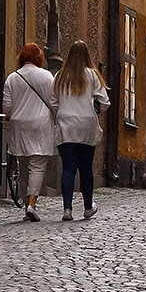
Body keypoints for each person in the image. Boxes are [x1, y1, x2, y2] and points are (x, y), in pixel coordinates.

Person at [51, 40, 110, 221]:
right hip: (86, 127)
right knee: (86, 168)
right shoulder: (92, 76)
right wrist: (94, 108)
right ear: (87, 56)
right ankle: (87, 207)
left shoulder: (60, 76)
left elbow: (53, 102)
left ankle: (67, 209)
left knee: (68, 169)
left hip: (66, 126)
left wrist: (63, 111)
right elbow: (105, 102)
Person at [2, 43, 55, 221]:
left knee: (23, 166)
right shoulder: (47, 77)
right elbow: (54, 102)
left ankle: (27, 207)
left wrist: (9, 117)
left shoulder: (12, 78)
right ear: (39, 57)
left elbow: (7, 107)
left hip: (19, 125)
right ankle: (32, 203)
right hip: (40, 124)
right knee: (37, 165)